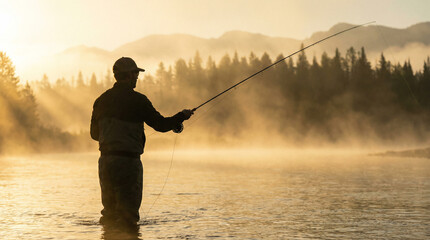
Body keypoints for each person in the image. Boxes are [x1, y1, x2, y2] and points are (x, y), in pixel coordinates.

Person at [90, 57, 193, 228]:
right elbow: (160, 125)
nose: (137, 76)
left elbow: (94, 135)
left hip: (106, 162)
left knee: (109, 214)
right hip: (129, 163)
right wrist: (182, 116)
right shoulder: (139, 101)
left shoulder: (101, 100)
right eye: (136, 73)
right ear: (128, 75)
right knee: (128, 217)